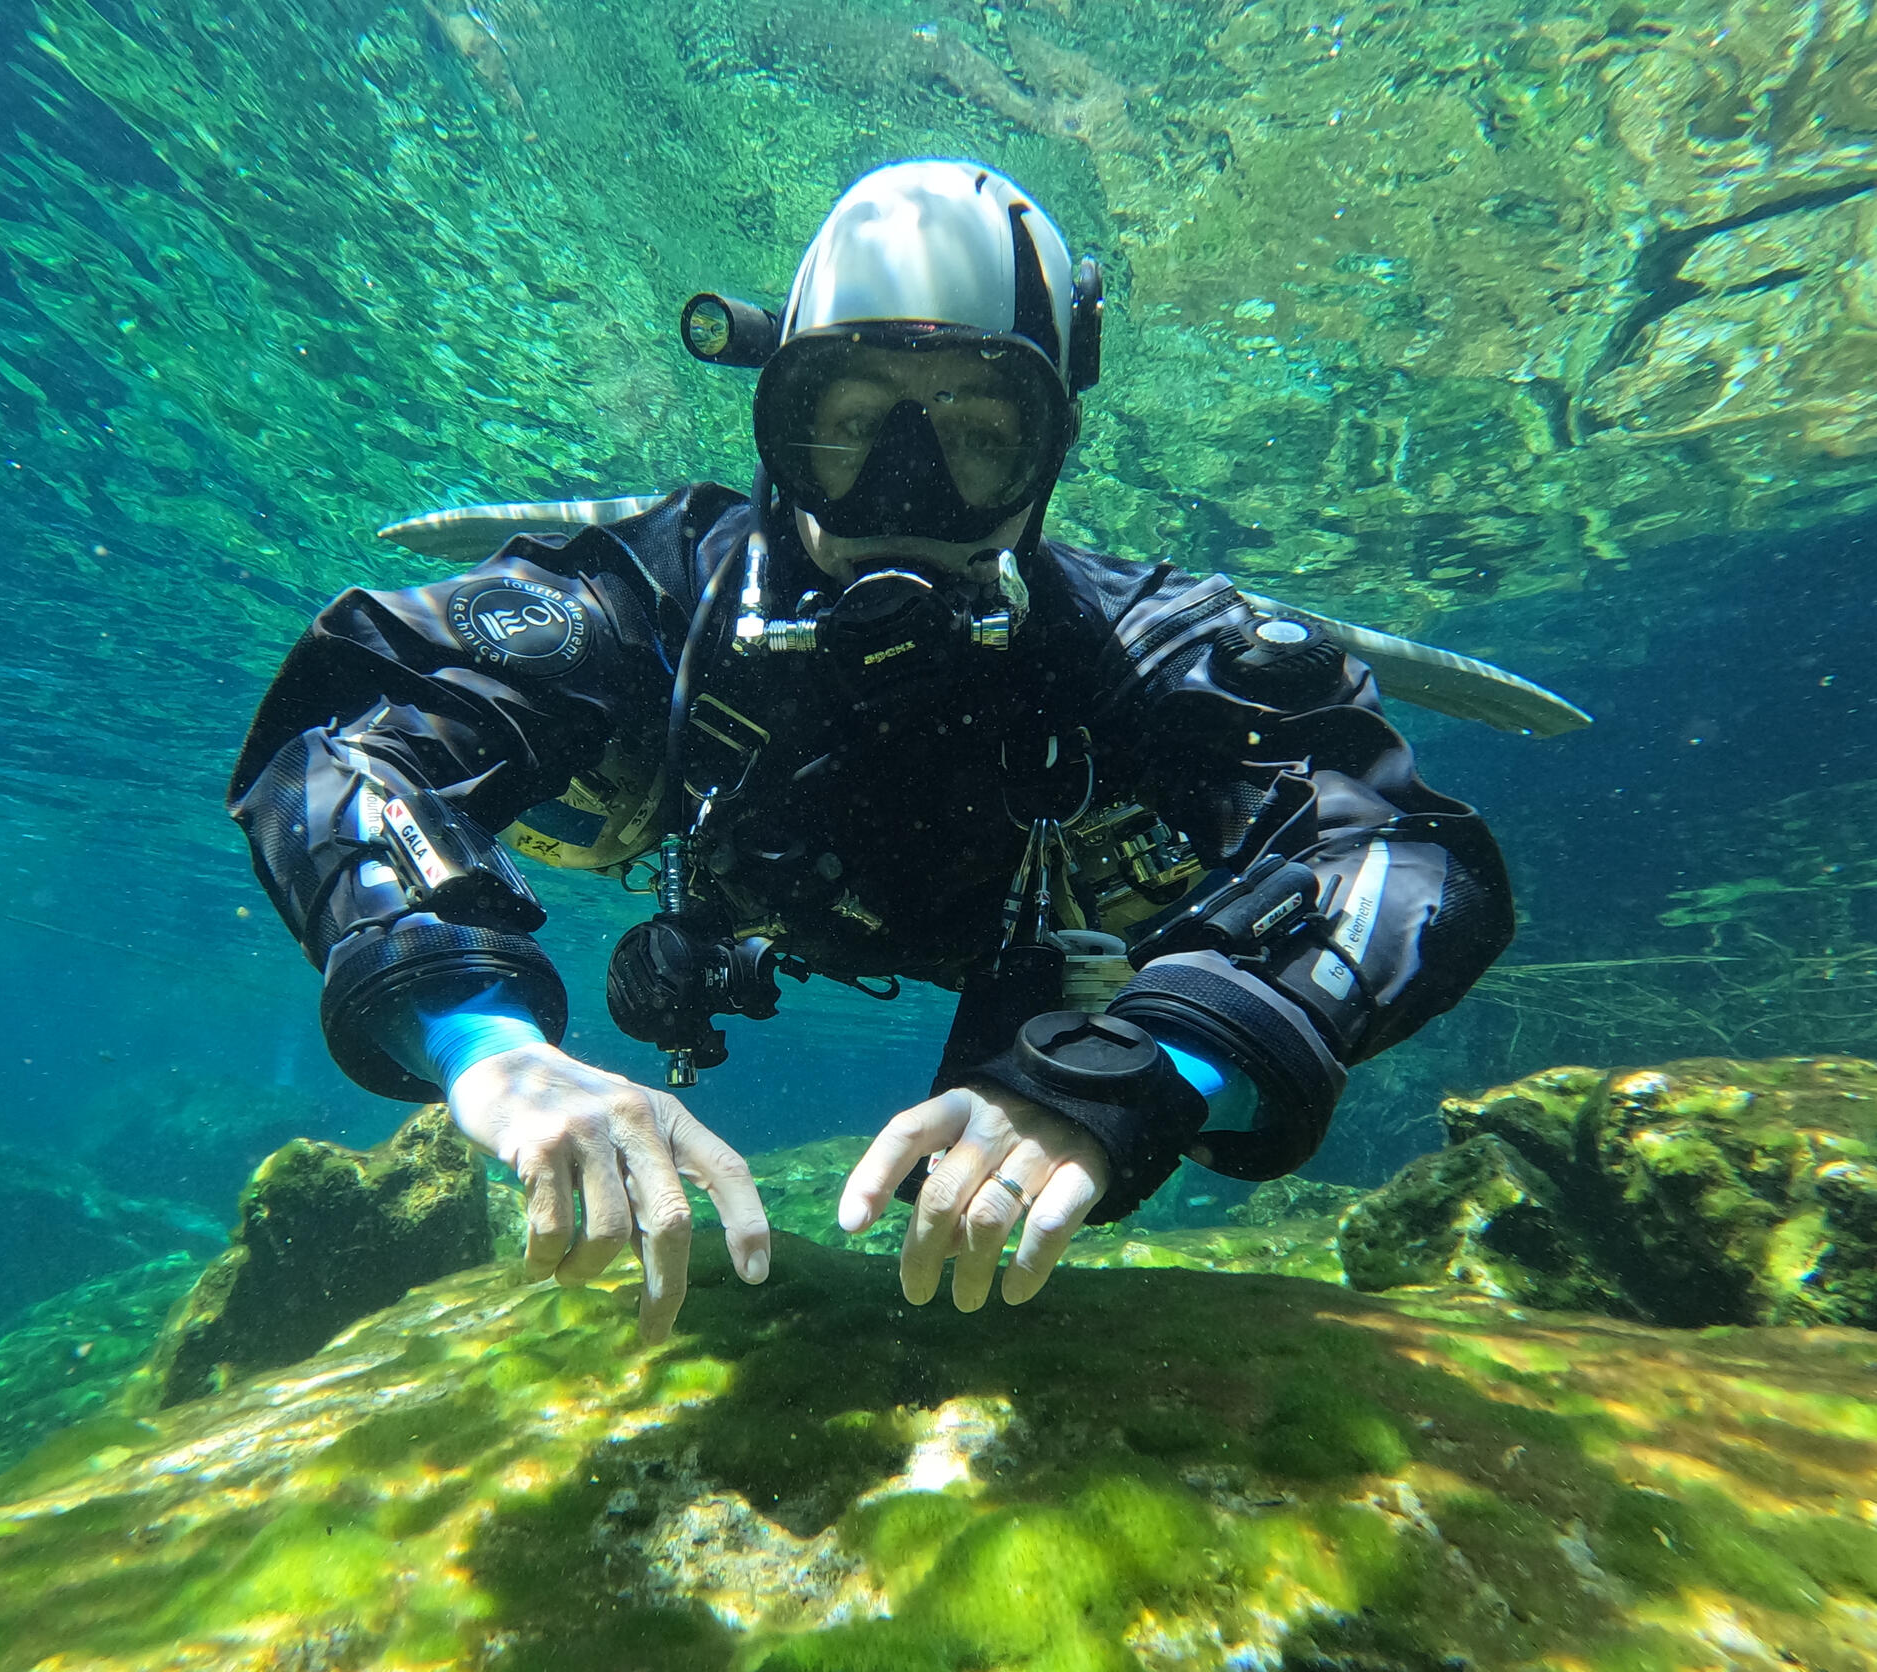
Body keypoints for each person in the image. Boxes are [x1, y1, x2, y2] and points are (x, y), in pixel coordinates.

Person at [229, 161, 1518, 1343]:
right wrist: (488, 1048)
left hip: (1050, 960)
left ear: (1049, 445)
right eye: (849, 423)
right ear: (777, 427)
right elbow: (345, 732)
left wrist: (1161, 1062)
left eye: (974, 433)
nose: (905, 488)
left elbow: (1406, 856)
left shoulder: (1135, 647)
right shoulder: (656, 599)